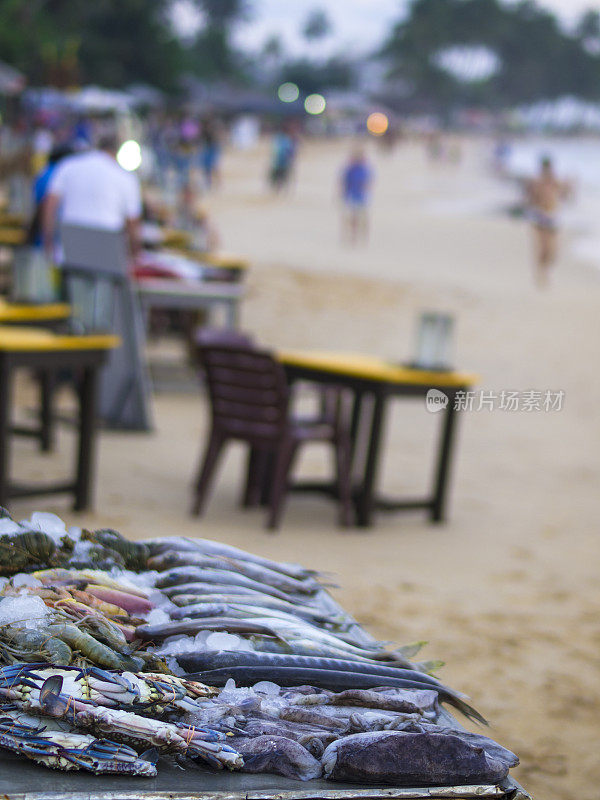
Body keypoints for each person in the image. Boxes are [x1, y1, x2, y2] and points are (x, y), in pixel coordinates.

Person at [42, 132, 142, 260]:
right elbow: (133, 225)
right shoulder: (125, 177)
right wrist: (135, 256)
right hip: (107, 252)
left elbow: (50, 205)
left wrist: (48, 243)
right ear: (117, 151)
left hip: (70, 249)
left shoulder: (68, 166)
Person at [525, 156, 570, 287]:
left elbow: (565, 196)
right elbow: (530, 200)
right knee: (543, 247)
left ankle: (544, 270)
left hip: (552, 217)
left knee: (552, 251)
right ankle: (541, 272)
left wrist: (569, 185)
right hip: (540, 216)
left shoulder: (555, 181)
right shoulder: (536, 182)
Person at [340, 148, 372, 244]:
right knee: (354, 218)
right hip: (353, 196)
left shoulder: (362, 169)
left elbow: (367, 183)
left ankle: (361, 236)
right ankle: (354, 236)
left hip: (359, 196)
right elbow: (344, 182)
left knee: (361, 218)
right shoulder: (351, 169)